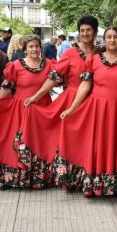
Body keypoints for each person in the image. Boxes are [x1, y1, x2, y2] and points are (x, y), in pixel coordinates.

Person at [55, 26, 117, 197]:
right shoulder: (93, 60)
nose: (112, 40)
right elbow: (85, 85)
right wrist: (72, 108)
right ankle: (93, 183)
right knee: (96, 146)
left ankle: (112, 184)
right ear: (104, 40)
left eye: (115, 37)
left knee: (115, 145)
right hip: (97, 110)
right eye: (108, 37)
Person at [21, 15, 99, 186]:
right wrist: (36, 96)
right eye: (82, 30)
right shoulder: (70, 52)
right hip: (72, 100)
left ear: (95, 32)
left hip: (95, 102)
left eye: (89, 30)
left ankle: (89, 177)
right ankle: (71, 178)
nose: (85, 33)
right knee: (73, 140)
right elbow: (54, 77)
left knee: (92, 140)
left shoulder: (100, 52)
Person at [0, 35, 55, 190]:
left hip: (43, 110)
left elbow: (60, 80)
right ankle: (11, 179)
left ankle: (39, 178)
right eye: (30, 47)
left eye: (37, 46)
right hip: (20, 110)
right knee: (16, 145)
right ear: (25, 50)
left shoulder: (50, 65)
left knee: (40, 144)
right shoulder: (16, 65)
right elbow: (6, 87)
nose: (34, 49)